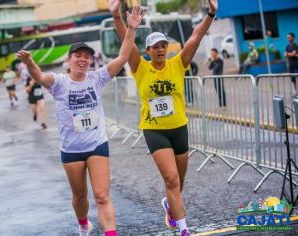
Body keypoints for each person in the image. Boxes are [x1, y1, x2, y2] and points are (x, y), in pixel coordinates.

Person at [17, 6, 144, 236]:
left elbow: (124, 56)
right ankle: (83, 223)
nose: (83, 60)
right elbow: (40, 77)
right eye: (79, 56)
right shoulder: (59, 83)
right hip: (71, 149)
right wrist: (30, 63)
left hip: (97, 144)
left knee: (102, 196)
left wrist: (132, 28)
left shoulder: (97, 78)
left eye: (87, 56)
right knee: (79, 196)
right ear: (69, 60)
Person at [109, 0, 218, 235]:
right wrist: (118, 18)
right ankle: (183, 229)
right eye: (155, 46)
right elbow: (125, 42)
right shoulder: (140, 67)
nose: (159, 49)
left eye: (163, 45)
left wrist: (210, 13)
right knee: (170, 179)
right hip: (155, 131)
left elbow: (195, 38)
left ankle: (170, 205)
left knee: (178, 182)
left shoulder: (178, 63)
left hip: (179, 128)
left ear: (167, 48)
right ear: (147, 50)